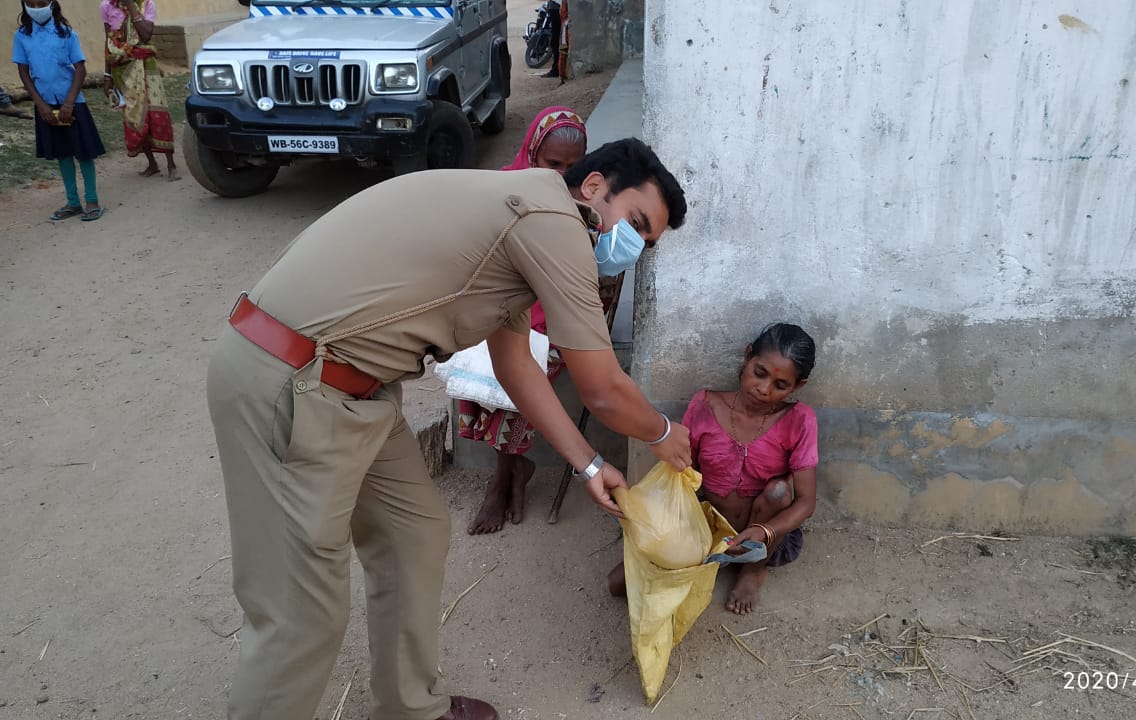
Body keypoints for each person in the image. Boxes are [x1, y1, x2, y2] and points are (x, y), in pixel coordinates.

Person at [206, 137, 690, 720]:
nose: (632, 246)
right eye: (635, 222)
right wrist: (663, 432)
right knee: (299, 613)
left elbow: (516, 367)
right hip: (292, 383)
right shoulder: (553, 222)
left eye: (648, 242)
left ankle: (410, 708)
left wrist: (589, 464)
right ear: (593, 188)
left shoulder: (523, 215)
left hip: (353, 387)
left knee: (415, 533)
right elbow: (604, 388)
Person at [608, 323, 819, 615]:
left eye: (780, 385)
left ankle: (753, 570)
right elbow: (682, 474)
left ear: (798, 386)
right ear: (747, 357)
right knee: (619, 584)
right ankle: (704, 554)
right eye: (760, 373)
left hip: (761, 528)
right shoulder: (705, 404)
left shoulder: (800, 420)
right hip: (707, 520)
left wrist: (764, 531)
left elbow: (806, 501)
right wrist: (666, 529)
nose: (764, 388)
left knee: (779, 491)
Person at [462, 106, 593, 535]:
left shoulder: (582, 202)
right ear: (533, 152)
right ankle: (513, 471)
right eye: (552, 164)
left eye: (573, 167)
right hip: (502, 307)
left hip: (550, 315)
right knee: (486, 373)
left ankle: (502, 481)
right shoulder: (499, 188)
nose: (560, 176)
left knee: (522, 388)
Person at [12, 0, 107, 221]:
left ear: (52, 3)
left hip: (72, 102)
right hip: (45, 103)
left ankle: (91, 200)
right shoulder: (22, 35)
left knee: (83, 152)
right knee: (62, 152)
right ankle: (73, 202)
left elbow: (80, 69)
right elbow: (23, 71)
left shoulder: (66, 33)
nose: (37, 6)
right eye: (31, 2)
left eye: (42, 2)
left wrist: (69, 103)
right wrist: (40, 104)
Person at [100, 0, 177, 180]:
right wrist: (107, 75)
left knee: (156, 112)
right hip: (122, 70)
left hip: (146, 66)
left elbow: (146, 35)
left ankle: (171, 164)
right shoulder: (106, 6)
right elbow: (109, 42)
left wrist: (133, 8)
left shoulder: (146, 4)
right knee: (135, 115)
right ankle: (152, 163)